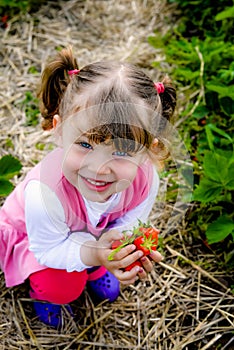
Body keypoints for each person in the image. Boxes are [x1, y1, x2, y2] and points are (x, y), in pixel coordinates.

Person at [0, 46, 176, 328]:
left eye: (122, 151)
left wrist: (122, 248)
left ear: (147, 150)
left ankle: (93, 266)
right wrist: (96, 253)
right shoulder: (44, 194)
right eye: (84, 144)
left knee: (94, 266)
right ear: (59, 130)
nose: (99, 168)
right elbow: (46, 249)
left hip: (91, 236)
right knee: (63, 288)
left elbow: (131, 218)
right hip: (42, 241)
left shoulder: (145, 178)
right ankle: (44, 294)